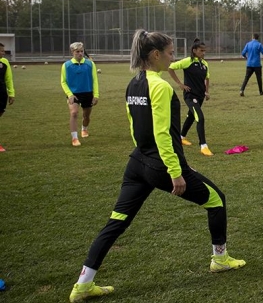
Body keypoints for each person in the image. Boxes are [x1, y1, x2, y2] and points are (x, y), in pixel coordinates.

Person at [68, 30, 245, 302]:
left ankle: (83, 285)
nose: (172, 58)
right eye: (171, 53)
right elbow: (163, 133)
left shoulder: (134, 82)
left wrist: (146, 155)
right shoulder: (161, 86)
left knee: (116, 221)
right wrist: (177, 172)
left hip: (137, 162)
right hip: (160, 165)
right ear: (155, 55)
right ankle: (220, 259)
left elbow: (134, 126)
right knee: (216, 200)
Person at [168, 38, 213, 156]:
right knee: (200, 117)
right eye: (201, 51)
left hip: (200, 96)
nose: (203, 53)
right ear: (194, 50)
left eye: (204, 51)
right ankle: (203, 146)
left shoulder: (204, 64)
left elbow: (206, 79)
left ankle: (181, 137)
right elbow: (170, 67)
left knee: (191, 116)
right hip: (190, 95)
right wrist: (180, 84)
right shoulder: (188, 61)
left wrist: (207, 92)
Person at [61, 42, 100, 147]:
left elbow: (95, 80)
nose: (80, 53)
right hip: (74, 94)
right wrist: (69, 94)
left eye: (82, 51)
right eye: (77, 51)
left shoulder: (90, 64)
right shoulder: (66, 65)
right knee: (74, 113)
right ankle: (74, 138)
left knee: (86, 115)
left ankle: (84, 128)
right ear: (72, 52)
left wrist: (96, 95)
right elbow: (63, 82)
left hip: (88, 93)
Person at [0, 42, 14, 152]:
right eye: (1, 51)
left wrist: (11, 94)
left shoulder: (4, 62)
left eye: (3, 50)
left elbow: (8, 79)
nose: (3, 53)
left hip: (2, 93)